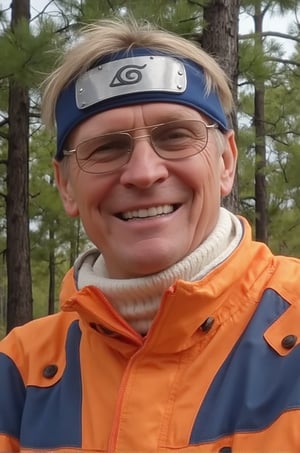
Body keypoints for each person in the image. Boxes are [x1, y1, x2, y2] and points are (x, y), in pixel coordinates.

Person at [1, 17, 300, 453]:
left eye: (176, 136)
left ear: (227, 163)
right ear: (65, 185)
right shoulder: (18, 372)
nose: (143, 172)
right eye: (106, 148)